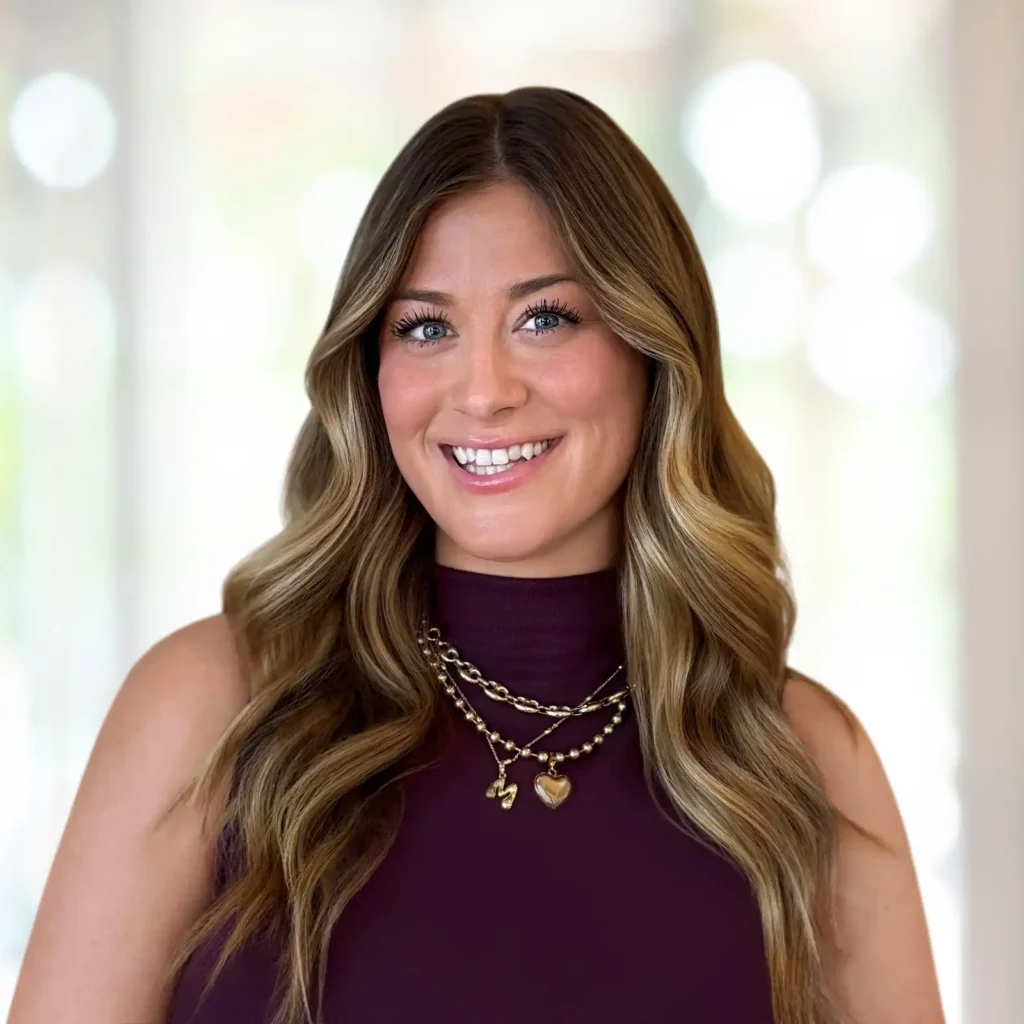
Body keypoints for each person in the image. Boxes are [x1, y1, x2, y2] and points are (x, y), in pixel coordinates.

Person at [7, 86, 944, 1024]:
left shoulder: (801, 756)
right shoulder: (212, 707)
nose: (484, 392)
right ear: (369, 370)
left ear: (652, 347)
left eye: (545, 319)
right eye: (426, 328)